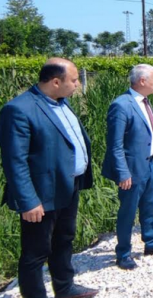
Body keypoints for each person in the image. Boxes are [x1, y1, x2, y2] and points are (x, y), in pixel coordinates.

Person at [0, 58, 98, 298]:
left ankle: (65, 288)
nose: (77, 84)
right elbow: (15, 160)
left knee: (64, 239)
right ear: (56, 81)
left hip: (68, 186)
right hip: (40, 194)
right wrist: (28, 201)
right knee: (36, 251)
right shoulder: (19, 109)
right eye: (74, 80)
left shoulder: (61, 102)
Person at [102, 64, 153, 270]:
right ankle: (123, 253)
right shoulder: (121, 105)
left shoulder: (145, 101)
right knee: (128, 211)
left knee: (150, 206)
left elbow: (151, 132)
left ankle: (151, 242)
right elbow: (115, 144)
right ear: (142, 81)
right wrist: (123, 173)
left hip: (149, 164)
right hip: (132, 169)